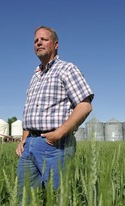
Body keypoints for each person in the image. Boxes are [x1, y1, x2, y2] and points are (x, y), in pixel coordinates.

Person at [16, 26, 94, 193]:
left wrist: (58, 134)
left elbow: (84, 105)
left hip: (54, 146)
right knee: (24, 202)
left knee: (58, 201)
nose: (39, 43)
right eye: (36, 40)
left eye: (44, 39)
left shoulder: (67, 69)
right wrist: (24, 139)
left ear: (56, 44)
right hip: (29, 145)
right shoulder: (35, 75)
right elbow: (29, 112)